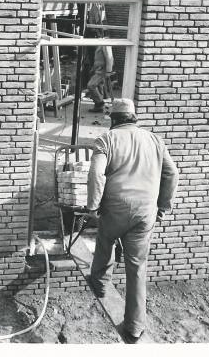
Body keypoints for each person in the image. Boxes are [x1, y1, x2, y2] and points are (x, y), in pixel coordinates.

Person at [85, 99, 180, 343]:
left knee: (105, 244)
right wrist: (163, 206)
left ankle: (100, 285)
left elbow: (96, 173)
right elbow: (172, 173)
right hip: (144, 212)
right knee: (137, 267)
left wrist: (93, 205)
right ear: (134, 118)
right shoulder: (155, 140)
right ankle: (135, 327)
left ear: (113, 120)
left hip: (115, 208)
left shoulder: (107, 140)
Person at [86, 31, 113, 113]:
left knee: (91, 86)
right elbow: (98, 58)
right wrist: (93, 68)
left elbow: (109, 57)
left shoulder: (104, 44)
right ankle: (99, 107)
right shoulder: (99, 44)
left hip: (102, 70)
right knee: (99, 87)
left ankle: (100, 103)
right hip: (98, 69)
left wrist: (108, 71)